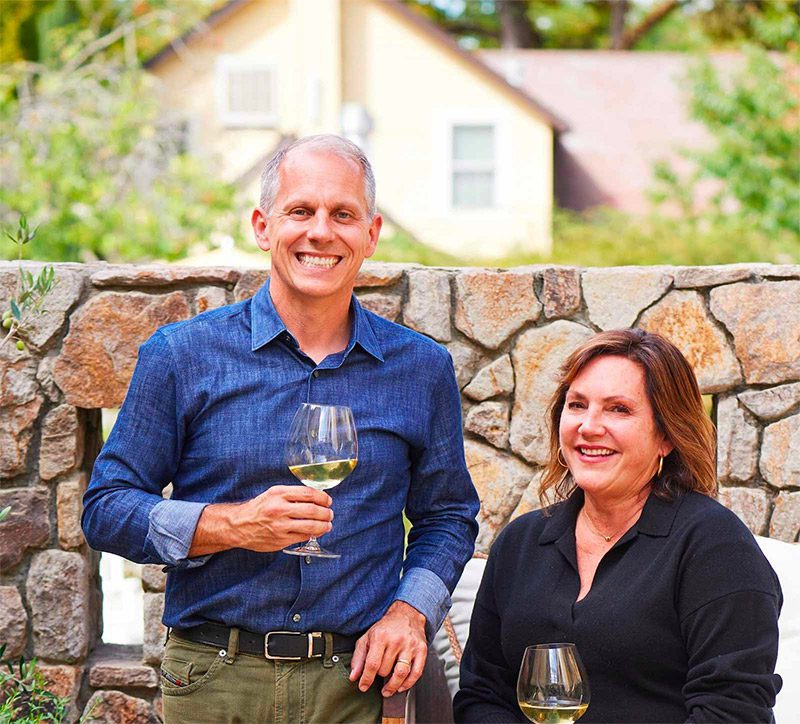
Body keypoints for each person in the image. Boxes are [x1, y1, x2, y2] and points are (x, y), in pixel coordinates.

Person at [82, 134, 479, 723]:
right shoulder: (183, 354)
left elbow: (448, 517)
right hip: (214, 677)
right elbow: (106, 508)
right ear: (264, 227)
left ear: (369, 235)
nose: (321, 231)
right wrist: (232, 525)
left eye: (342, 214)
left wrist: (408, 612)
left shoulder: (420, 369)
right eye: (301, 211)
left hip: (354, 685)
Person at [454, 329, 782, 723]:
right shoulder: (520, 543)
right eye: (577, 405)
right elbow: (482, 694)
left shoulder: (715, 546)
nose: (589, 426)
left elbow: (733, 711)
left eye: (618, 409)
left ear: (666, 436)